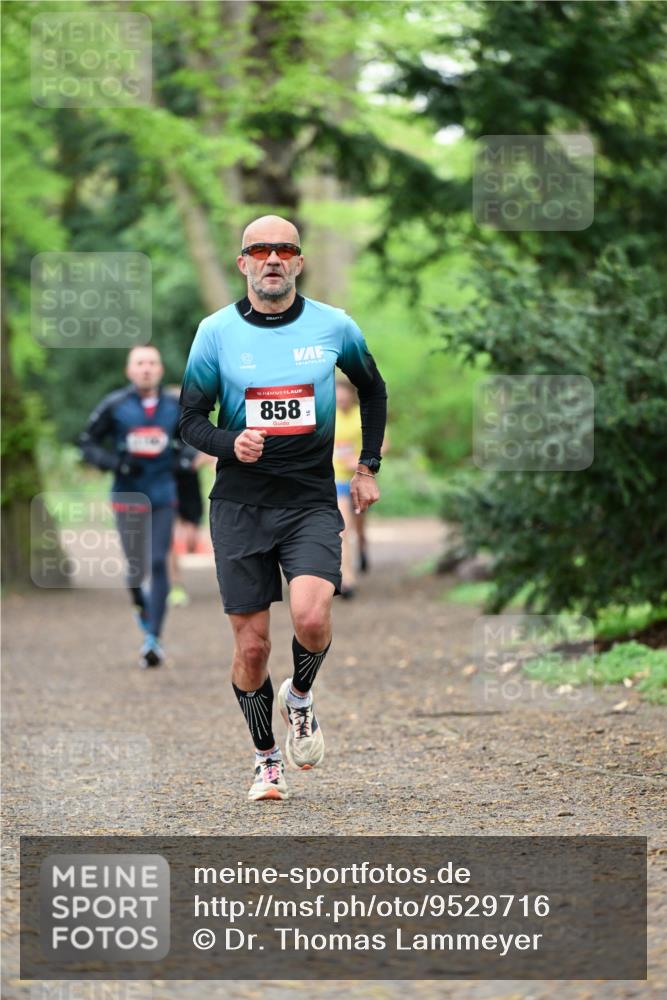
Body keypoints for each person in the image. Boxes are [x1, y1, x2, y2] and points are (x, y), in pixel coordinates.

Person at [179, 215, 387, 801]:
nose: (273, 259)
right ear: (242, 262)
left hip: (310, 501)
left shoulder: (333, 325)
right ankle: (266, 759)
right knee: (251, 648)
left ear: (298, 262)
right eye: (260, 250)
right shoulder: (215, 332)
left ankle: (299, 697)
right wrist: (229, 442)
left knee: (313, 619)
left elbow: (372, 388)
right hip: (240, 505)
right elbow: (191, 419)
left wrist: (366, 466)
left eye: (285, 250)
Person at [79, 345, 194, 668]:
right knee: (134, 568)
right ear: (129, 371)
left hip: (162, 494)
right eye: (140, 364)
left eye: (152, 363)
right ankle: (140, 606)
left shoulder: (175, 405)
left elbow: (189, 437)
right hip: (127, 495)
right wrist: (115, 463)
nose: (146, 369)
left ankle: (153, 639)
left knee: (157, 561)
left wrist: (183, 458)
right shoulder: (115, 405)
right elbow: (87, 442)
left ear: (160, 370)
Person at [333, 377, 363, 597]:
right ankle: (348, 578)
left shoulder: (361, 416)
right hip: (334, 479)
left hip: (358, 478)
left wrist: (360, 461)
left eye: (345, 395)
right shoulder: (326, 415)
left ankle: (363, 550)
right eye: (337, 396)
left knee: (358, 527)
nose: (341, 400)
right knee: (343, 528)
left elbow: (383, 443)